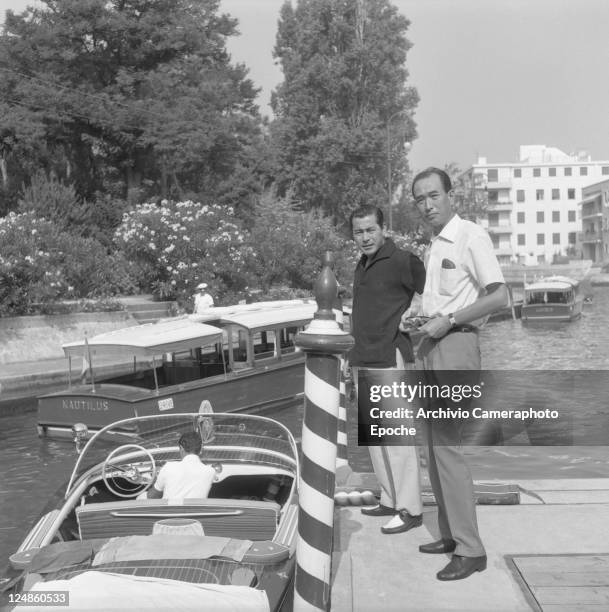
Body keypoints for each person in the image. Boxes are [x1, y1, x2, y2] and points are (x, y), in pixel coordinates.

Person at [411, 167, 508, 581]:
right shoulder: (435, 245)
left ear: (451, 196)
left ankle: (472, 550)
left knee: (447, 447)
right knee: (431, 447)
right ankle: (451, 535)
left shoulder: (470, 235)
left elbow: (501, 296)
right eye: (420, 199)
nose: (427, 205)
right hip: (431, 345)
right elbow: (440, 300)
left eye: (434, 195)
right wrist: (417, 317)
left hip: (456, 345)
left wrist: (448, 320)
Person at [349, 204, 426, 535]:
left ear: (383, 229)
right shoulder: (362, 264)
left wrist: (415, 315)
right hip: (364, 357)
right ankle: (391, 499)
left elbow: (431, 289)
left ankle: (411, 509)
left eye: (370, 230)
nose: (365, 237)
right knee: (377, 439)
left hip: (389, 354)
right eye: (359, 232)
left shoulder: (402, 261)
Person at [147, 431, 216, 499]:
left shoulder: (169, 467)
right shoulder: (210, 472)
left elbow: (152, 496)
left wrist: (155, 481)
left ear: (181, 448)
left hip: (169, 510)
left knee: (140, 497)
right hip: (195, 510)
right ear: (201, 449)